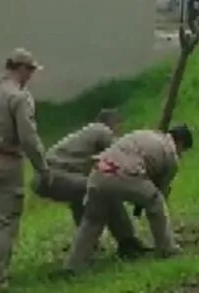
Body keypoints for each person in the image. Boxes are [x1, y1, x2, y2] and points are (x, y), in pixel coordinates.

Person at [0, 46, 50, 290]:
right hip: (8, 165)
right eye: (30, 70)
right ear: (22, 69)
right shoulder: (19, 97)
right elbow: (28, 138)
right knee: (6, 223)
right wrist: (42, 167)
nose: (31, 76)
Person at [63, 125, 194, 273]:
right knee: (155, 202)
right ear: (181, 143)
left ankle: (74, 265)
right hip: (123, 174)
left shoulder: (146, 133)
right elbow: (160, 193)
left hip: (98, 172)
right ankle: (167, 248)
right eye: (183, 150)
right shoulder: (170, 152)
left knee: (92, 220)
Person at [32, 108, 151, 259]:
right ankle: (127, 242)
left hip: (44, 177)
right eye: (119, 127)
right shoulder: (101, 130)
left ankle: (88, 247)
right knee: (107, 192)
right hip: (55, 174)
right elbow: (119, 158)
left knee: (81, 197)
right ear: (114, 123)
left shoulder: (85, 134)